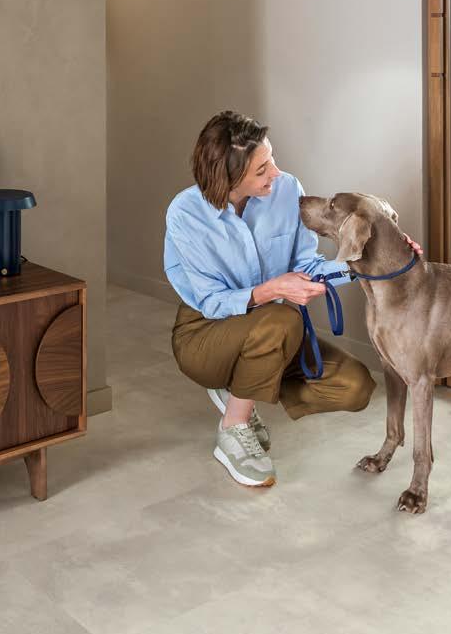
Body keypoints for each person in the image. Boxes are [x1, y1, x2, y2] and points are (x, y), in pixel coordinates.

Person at [163, 110, 420, 489]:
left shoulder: (286, 190)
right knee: (284, 319)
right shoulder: (186, 213)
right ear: (229, 178)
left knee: (355, 387)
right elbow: (212, 302)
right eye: (262, 169)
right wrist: (275, 289)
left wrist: (375, 261)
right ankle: (233, 427)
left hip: (270, 333)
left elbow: (306, 264)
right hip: (206, 331)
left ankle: (239, 385)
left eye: (272, 159)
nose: (277, 173)